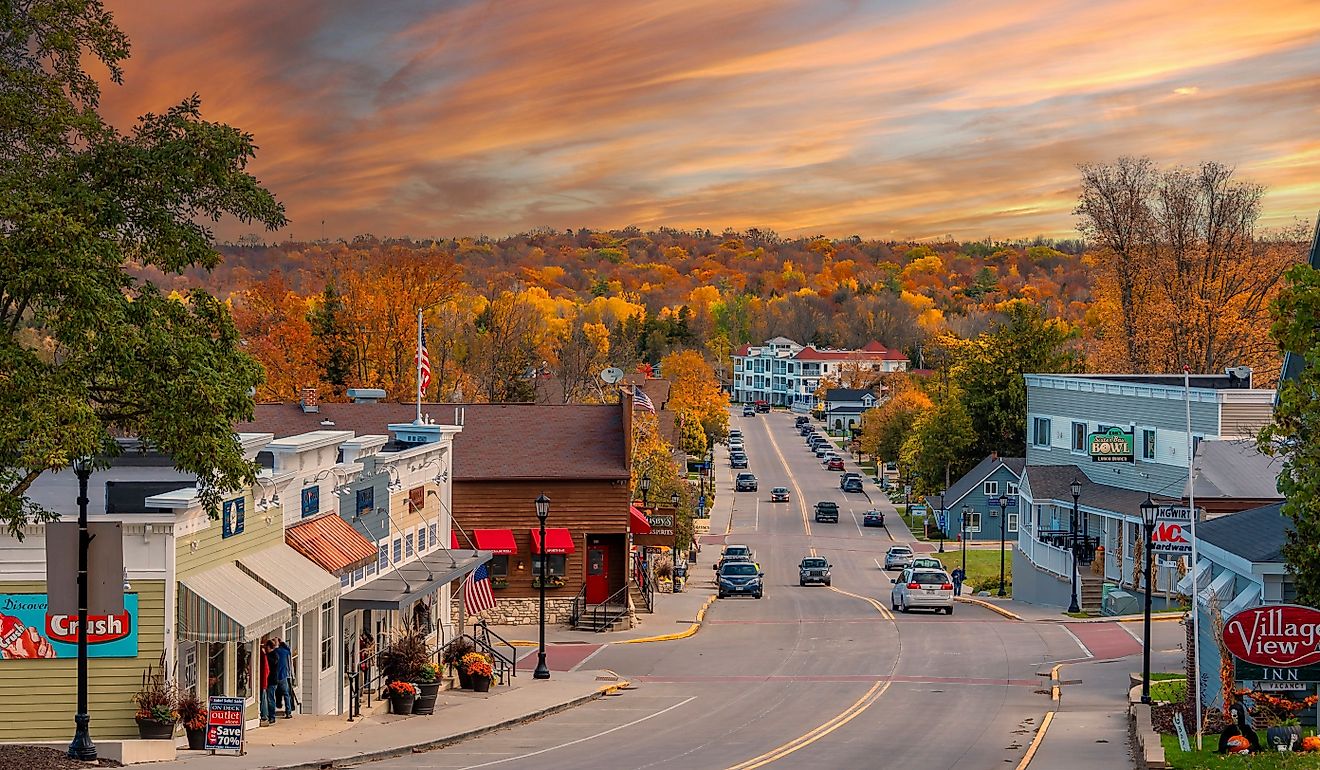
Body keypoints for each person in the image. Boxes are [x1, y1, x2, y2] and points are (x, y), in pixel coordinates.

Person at [274, 637, 293, 718]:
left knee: (272, 694)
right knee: (286, 694)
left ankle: (272, 711)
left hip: (274, 676)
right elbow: (289, 650)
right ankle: (288, 712)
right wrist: (282, 642)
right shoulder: (284, 652)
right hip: (283, 676)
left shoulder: (274, 652)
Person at [259, 640, 274, 725]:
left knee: (266, 699)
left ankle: (265, 716)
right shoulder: (264, 656)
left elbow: (266, 670)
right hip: (265, 681)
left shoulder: (265, 656)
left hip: (265, 681)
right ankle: (266, 715)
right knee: (265, 698)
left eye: (265, 646)